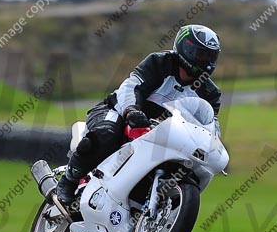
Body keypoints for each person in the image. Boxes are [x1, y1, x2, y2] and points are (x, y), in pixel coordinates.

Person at [56, 24, 222, 206]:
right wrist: (131, 110)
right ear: (186, 49)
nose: (205, 61)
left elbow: (209, 125)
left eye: (210, 56)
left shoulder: (211, 93)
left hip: (160, 133)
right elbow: (131, 86)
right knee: (106, 134)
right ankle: (69, 180)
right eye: (201, 54)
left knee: (184, 167)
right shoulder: (159, 63)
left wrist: (213, 147)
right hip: (117, 111)